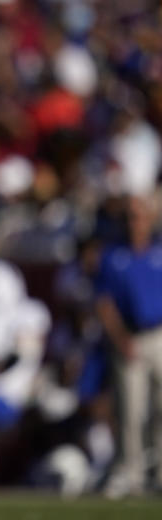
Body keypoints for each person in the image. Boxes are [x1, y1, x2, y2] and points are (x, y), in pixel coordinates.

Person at [95, 194, 162, 497]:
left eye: (140, 216)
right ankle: (131, 473)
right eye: (130, 217)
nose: (135, 223)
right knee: (131, 411)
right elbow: (104, 303)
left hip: (158, 334)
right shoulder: (113, 256)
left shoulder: (158, 252)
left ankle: (159, 473)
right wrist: (120, 337)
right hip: (130, 337)